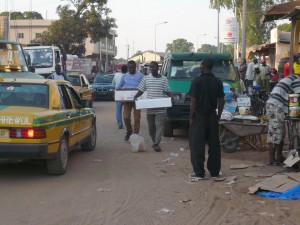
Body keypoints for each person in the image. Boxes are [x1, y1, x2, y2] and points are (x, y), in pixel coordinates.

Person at [188, 58, 225, 180]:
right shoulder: (217, 82)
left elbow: (193, 101)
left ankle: (199, 172)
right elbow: (221, 101)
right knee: (214, 145)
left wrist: (191, 117)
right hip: (212, 116)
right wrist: (218, 116)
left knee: (197, 145)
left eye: (200, 65)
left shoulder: (196, 81)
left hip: (199, 116)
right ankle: (214, 172)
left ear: (203, 67)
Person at [133, 61, 171, 152]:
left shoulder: (164, 79)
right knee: (151, 128)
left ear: (158, 68)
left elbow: (167, 90)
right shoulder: (146, 79)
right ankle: (155, 142)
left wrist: (171, 97)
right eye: (151, 67)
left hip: (160, 107)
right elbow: (141, 90)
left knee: (160, 126)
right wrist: (135, 96)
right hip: (150, 107)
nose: (152, 68)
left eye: (154, 67)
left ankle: (156, 144)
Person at [266, 74, 300, 166]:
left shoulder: (293, 78)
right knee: (275, 132)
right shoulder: (297, 79)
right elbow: (297, 96)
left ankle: (279, 157)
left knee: (282, 132)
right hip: (275, 105)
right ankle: (271, 159)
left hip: (277, 105)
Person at [117, 60, 144, 141]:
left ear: (135, 67)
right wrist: (116, 91)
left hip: (137, 100)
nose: (130, 69)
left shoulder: (141, 76)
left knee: (137, 119)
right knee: (125, 117)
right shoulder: (124, 76)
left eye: (132, 67)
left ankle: (135, 135)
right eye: (129, 67)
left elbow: (144, 86)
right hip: (127, 100)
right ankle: (129, 131)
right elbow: (119, 86)